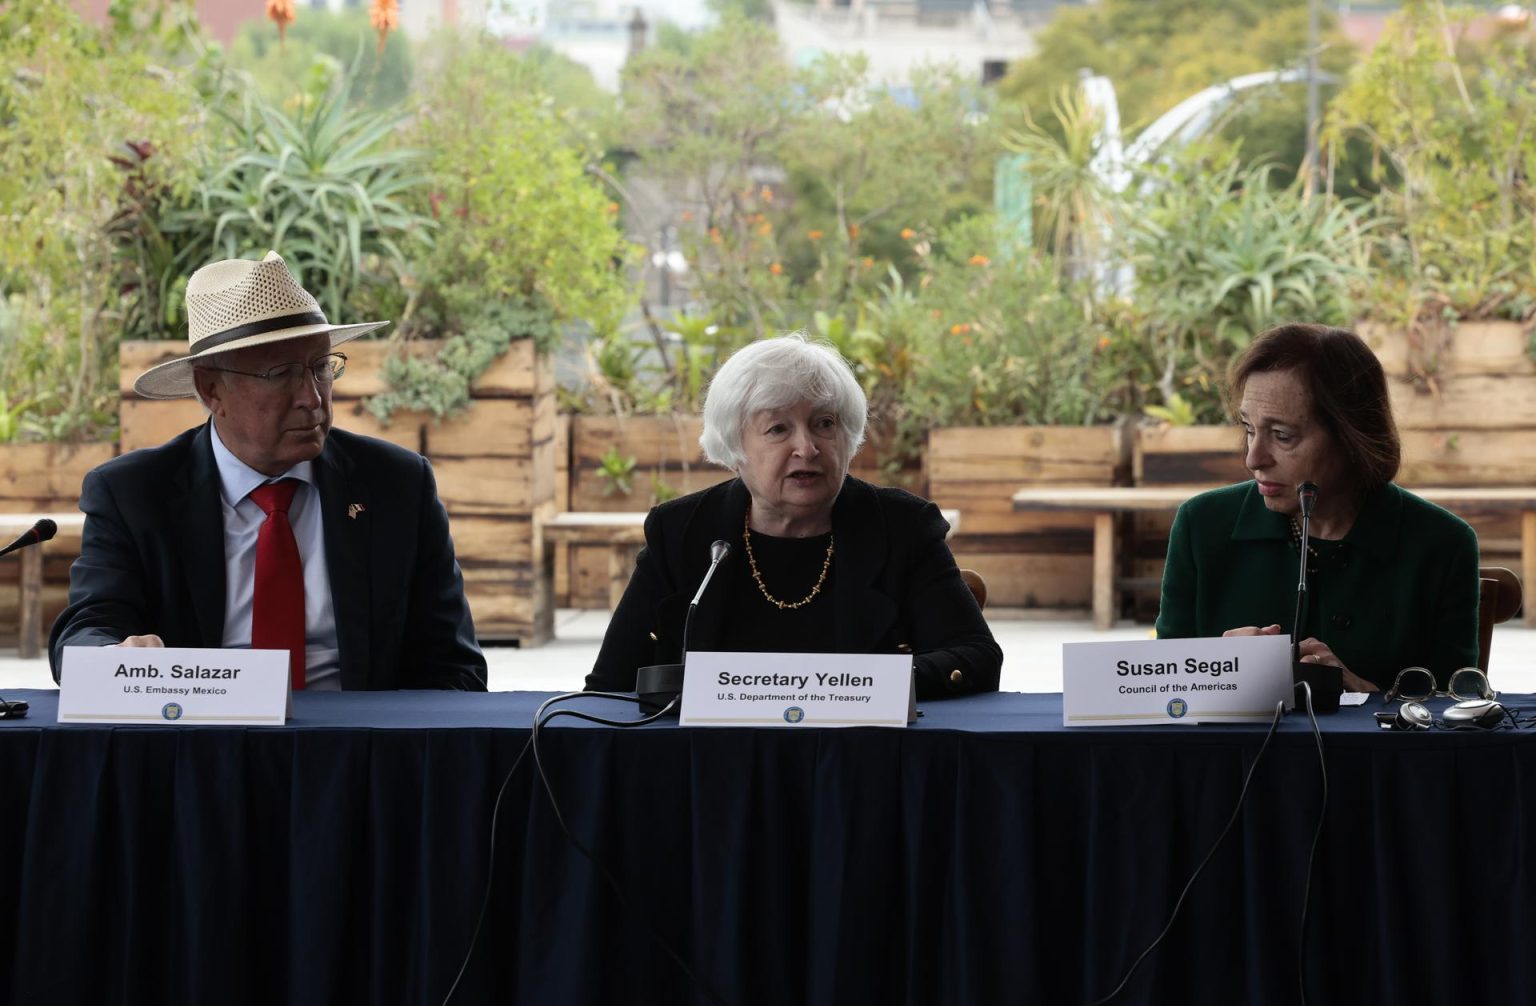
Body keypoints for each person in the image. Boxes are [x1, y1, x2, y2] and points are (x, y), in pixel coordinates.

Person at [48, 251, 487, 691]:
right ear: (211, 388)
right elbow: (87, 630)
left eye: (320, 368)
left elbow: (455, 666)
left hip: (360, 746)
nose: (312, 398)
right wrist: (114, 658)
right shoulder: (134, 494)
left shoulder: (396, 485)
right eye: (281, 374)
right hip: (201, 744)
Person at [585, 333, 1001, 700]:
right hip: (711, 766)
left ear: (848, 435)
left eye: (824, 423)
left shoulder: (903, 527)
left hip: (863, 763)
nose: (807, 447)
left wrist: (861, 686)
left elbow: (976, 657)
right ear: (735, 446)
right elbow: (610, 684)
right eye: (778, 429)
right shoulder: (681, 532)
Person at [1155, 323, 1479, 692]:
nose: (1253, 458)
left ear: (1354, 436)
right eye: (1249, 428)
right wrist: (1214, 670)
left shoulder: (1443, 544)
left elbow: (1455, 717)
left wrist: (1362, 695)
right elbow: (1163, 695)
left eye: (1282, 436)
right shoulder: (1201, 525)